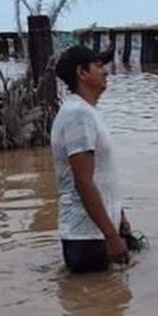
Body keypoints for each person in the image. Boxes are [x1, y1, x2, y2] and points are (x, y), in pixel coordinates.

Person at [50, 45, 132, 273]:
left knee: (106, 303)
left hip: (97, 232)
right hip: (87, 236)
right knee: (100, 304)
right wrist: (111, 236)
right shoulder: (78, 115)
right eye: (98, 66)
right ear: (82, 73)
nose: (105, 71)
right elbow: (83, 181)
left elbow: (103, 175)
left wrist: (120, 218)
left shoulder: (87, 112)